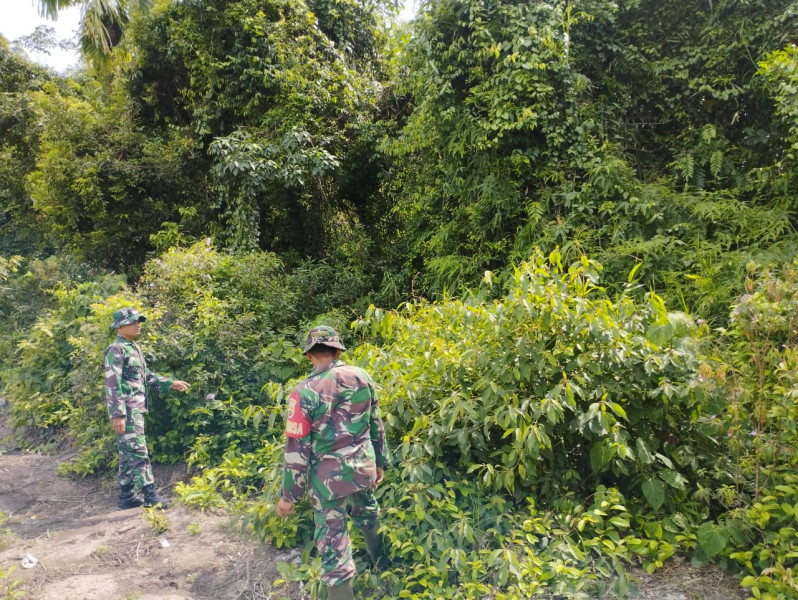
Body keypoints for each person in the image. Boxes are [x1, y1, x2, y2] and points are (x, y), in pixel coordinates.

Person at [276, 325, 389, 600]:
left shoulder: (303, 392)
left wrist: (290, 496)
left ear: (309, 355)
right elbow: (376, 423)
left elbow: (296, 450)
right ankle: (384, 565)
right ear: (338, 350)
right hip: (363, 467)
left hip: (328, 481)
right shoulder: (362, 376)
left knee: (333, 542)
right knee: (368, 512)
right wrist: (380, 462)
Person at [105, 307, 190, 510]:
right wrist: (117, 414)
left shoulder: (133, 347)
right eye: (133, 321)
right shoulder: (116, 349)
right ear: (120, 326)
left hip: (136, 409)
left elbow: (146, 376)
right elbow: (112, 383)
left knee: (128, 451)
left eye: (139, 321)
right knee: (138, 450)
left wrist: (169, 383)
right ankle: (150, 494)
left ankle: (127, 496)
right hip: (127, 410)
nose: (138, 324)